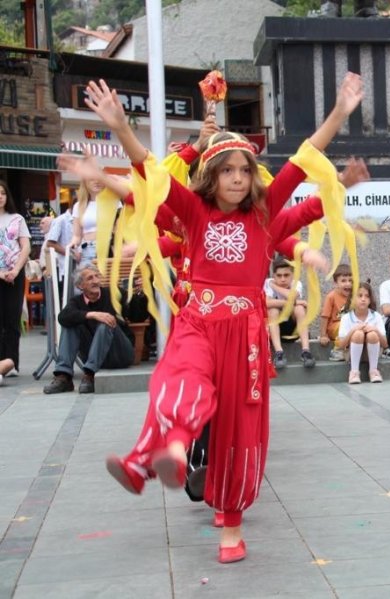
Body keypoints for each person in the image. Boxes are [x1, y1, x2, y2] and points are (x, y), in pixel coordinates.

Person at [90, 71, 362, 564]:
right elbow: (151, 175)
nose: (238, 178)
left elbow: (301, 166)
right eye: (227, 171)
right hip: (198, 320)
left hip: (248, 335)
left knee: (238, 426)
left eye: (244, 170)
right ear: (210, 177)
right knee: (180, 378)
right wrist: (120, 128)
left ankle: (229, 529)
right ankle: (164, 453)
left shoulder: (263, 214)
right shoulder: (193, 213)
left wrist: (340, 115)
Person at [42, 265, 135, 394]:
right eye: (90, 278)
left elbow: (138, 314)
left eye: (97, 276)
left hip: (119, 353)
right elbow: (62, 317)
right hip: (94, 356)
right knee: (70, 322)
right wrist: (91, 314)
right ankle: (64, 376)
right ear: (80, 286)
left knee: (106, 322)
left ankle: (90, 375)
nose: (96, 281)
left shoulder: (114, 293)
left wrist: (138, 295)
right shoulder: (76, 301)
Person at [0, 180, 31, 375]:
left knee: (12, 319)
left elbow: (25, 247)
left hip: (15, 275)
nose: (0, 197)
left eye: (2, 193)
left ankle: (12, 363)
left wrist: (16, 270)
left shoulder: (17, 218)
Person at [265, 258, 315, 369]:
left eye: (286, 275)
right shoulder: (267, 283)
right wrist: (295, 302)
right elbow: (267, 303)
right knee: (273, 310)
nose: (282, 279)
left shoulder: (296, 283)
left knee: (299, 309)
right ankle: (279, 353)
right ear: (274, 275)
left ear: (293, 275)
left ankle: (306, 351)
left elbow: (292, 296)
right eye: (279, 275)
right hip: (275, 330)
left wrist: (275, 286)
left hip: (293, 330)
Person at [337, 282, 386, 384]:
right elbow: (341, 346)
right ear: (352, 299)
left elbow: (385, 344)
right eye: (359, 296)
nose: (363, 299)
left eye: (367, 296)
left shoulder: (376, 316)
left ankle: (373, 371)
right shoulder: (346, 318)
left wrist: (375, 330)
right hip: (350, 353)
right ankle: (354, 372)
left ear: (370, 300)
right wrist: (353, 330)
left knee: (372, 334)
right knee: (358, 334)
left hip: (371, 354)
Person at [319, 263, 353, 361]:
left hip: (350, 326)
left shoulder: (355, 296)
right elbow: (325, 317)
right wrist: (323, 335)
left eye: (351, 281)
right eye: (343, 281)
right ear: (335, 283)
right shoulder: (331, 297)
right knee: (344, 325)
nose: (348, 284)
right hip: (335, 327)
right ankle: (337, 350)